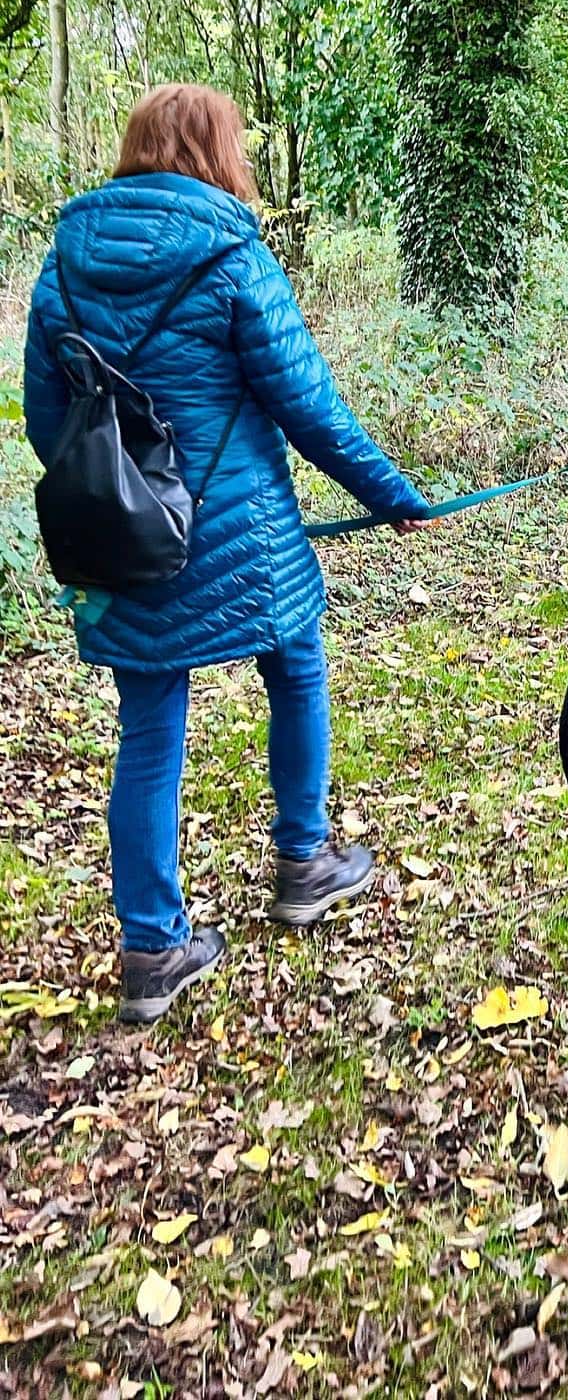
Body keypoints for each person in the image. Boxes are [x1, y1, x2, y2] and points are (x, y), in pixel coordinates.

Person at [23, 84, 431, 1024]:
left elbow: (52, 423)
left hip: (129, 544)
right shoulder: (233, 256)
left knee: (150, 727)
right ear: (217, 151)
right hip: (242, 532)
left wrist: (131, 499)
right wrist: (392, 496)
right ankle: (303, 859)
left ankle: (152, 948)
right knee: (295, 664)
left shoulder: (64, 269)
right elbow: (310, 406)